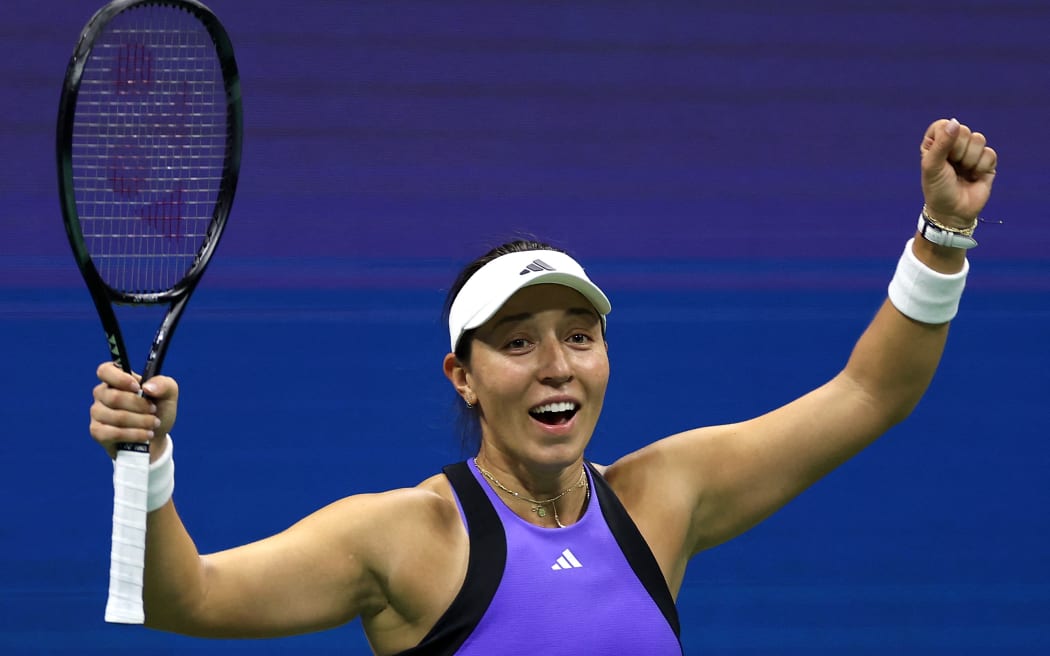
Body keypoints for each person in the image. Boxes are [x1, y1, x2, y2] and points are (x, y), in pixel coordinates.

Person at [89, 117, 997, 655]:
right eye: (517, 342)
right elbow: (186, 598)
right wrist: (148, 459)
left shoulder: (663, 497)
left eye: (579, 336)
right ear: (465, 377)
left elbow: (871, 392)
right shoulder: (405, 538)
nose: (556, 365)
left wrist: (940, 237)